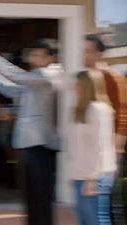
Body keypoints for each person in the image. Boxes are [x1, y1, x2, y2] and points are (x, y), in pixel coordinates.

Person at [0, 39, 61, 225]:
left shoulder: (51, 74)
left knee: (41, 198)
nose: (34, 59)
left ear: (52, 57)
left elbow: (18, 78)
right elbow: (12, 90)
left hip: (42, 147)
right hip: (30, 146)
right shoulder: (36, 77)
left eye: (39, 55)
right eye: (33, 55)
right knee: (30, 198)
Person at [84, 35, 127, 225]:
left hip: (105, 155)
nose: (83, 55)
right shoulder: (87, 77)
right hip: (90, 154)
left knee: (104, 209)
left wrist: (116, 155)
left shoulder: (112, 78)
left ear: (99, 54)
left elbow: (122, 119)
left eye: (87, 51)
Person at [69, 71, 117, 225]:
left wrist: (93, 179)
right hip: (81, 176)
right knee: (85, 220)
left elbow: (100, 146)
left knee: (95, 220)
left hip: (94, 177)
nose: (74, 88)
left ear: (87, 86)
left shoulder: (98, 110)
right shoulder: (84, 109)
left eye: (77, 85)